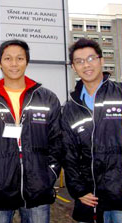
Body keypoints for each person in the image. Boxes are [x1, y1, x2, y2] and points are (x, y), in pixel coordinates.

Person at [0, 39, 62, 223]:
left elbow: (57, 139)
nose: (14, 63)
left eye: (20, 58)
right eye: (8, 58)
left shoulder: (46, 98)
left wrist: (50, 173)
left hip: (37, 189)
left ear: (27, 61)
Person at [61, 38, 122, 223]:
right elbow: (68, 154)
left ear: (101, 61)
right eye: (79, 61)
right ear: (73, 67)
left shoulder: (119, 94)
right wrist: (78, 190)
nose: (86, 65)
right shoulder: (71, 108)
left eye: (91, 58)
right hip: (90, 199)